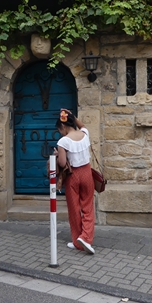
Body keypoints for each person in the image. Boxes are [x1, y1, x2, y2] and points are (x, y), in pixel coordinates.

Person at [55, 108, 95, 255]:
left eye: (60, 129)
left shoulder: (63, 141)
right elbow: (82, 125)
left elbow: (62, 163)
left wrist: (57, 154)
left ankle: (78, 241)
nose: (60, 132)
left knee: (74, 208)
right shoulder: (85, 134)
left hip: (73, 175)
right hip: (86, 173)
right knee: (88, 206)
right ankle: (86, 238)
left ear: (63, 126)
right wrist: (72, 115)